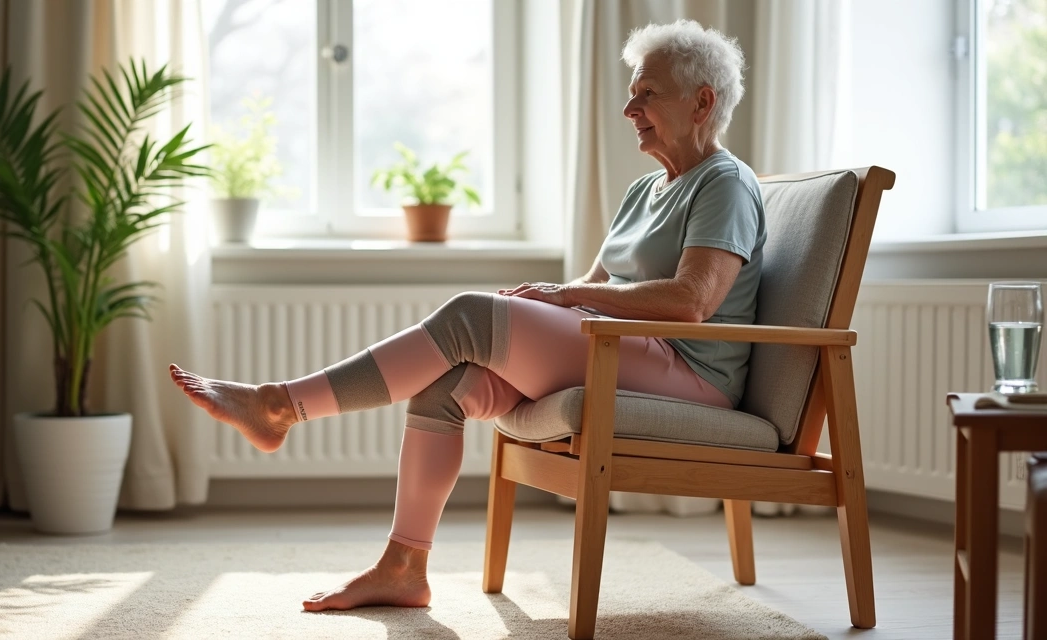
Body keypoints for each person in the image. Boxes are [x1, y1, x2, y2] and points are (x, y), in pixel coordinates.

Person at [169, 18, 765, 612]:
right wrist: (547, 299)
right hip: (621, 349)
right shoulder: (644, 190)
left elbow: (692, 301)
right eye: (632, 92)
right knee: (445, 385)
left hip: (690, 373)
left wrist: (562, 299)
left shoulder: (725, 183)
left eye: (647, 93)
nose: (629, 108)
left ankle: (279, 405)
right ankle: (403, 568)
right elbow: (597, 285)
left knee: (469, 317)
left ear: (702, 102)